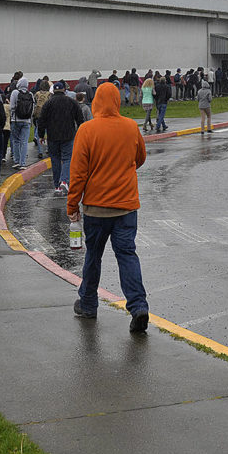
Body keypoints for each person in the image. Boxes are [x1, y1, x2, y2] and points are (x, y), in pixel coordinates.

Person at [66, 82, 149, 333]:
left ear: (96, 102)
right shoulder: (130, 127)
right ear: (117, 101)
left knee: (94, 256)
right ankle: (138, 306)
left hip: (96, 208)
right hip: (125, 207)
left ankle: (89, 304)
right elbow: (140, 158)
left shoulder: (87, 130)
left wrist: (72, 204)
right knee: (127, 256)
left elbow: (78, 173)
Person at [38, 80, 84, 196]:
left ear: (53, 91)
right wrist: (81, 131)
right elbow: (80, 118)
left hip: (52, 136)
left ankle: (57, 186)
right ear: (64, 90)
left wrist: (41, 135)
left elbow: (42, 120)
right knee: (67, 158)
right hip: (68, 135)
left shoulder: (48, 103)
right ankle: (64, 180)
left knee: (55, 159)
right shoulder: (71, 102)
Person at [9, 77, 32, 169]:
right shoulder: (30, 94)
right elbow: (32, 108)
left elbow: (12, 107)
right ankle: (23, 163)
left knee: (16, 141)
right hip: (26, 121)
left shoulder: (15, 93)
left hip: (16, 120)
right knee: (24, 142)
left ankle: (17, 161)